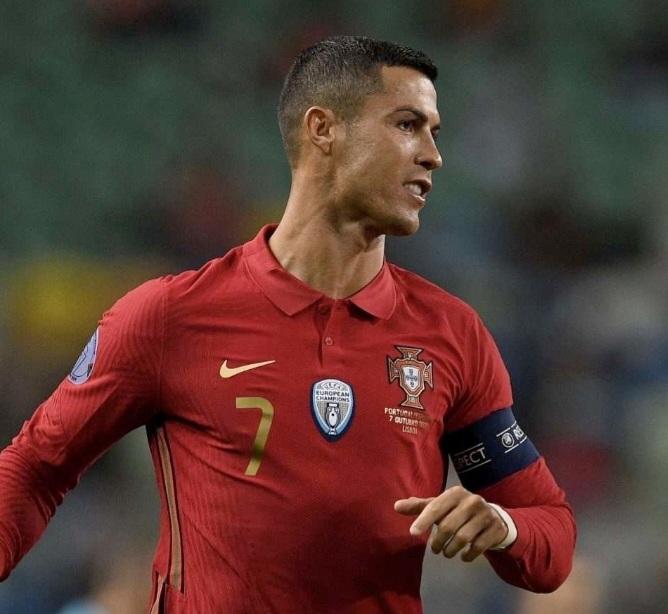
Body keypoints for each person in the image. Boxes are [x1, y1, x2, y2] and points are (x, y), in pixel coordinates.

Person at [0, 36, 576, 613]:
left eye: (435, 132)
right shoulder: (171, 316)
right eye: (407, 125)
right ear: (323, 129)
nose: (432, 155)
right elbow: (34, 469)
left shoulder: (451, 333)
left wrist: (504, 526)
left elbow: (550, 537)